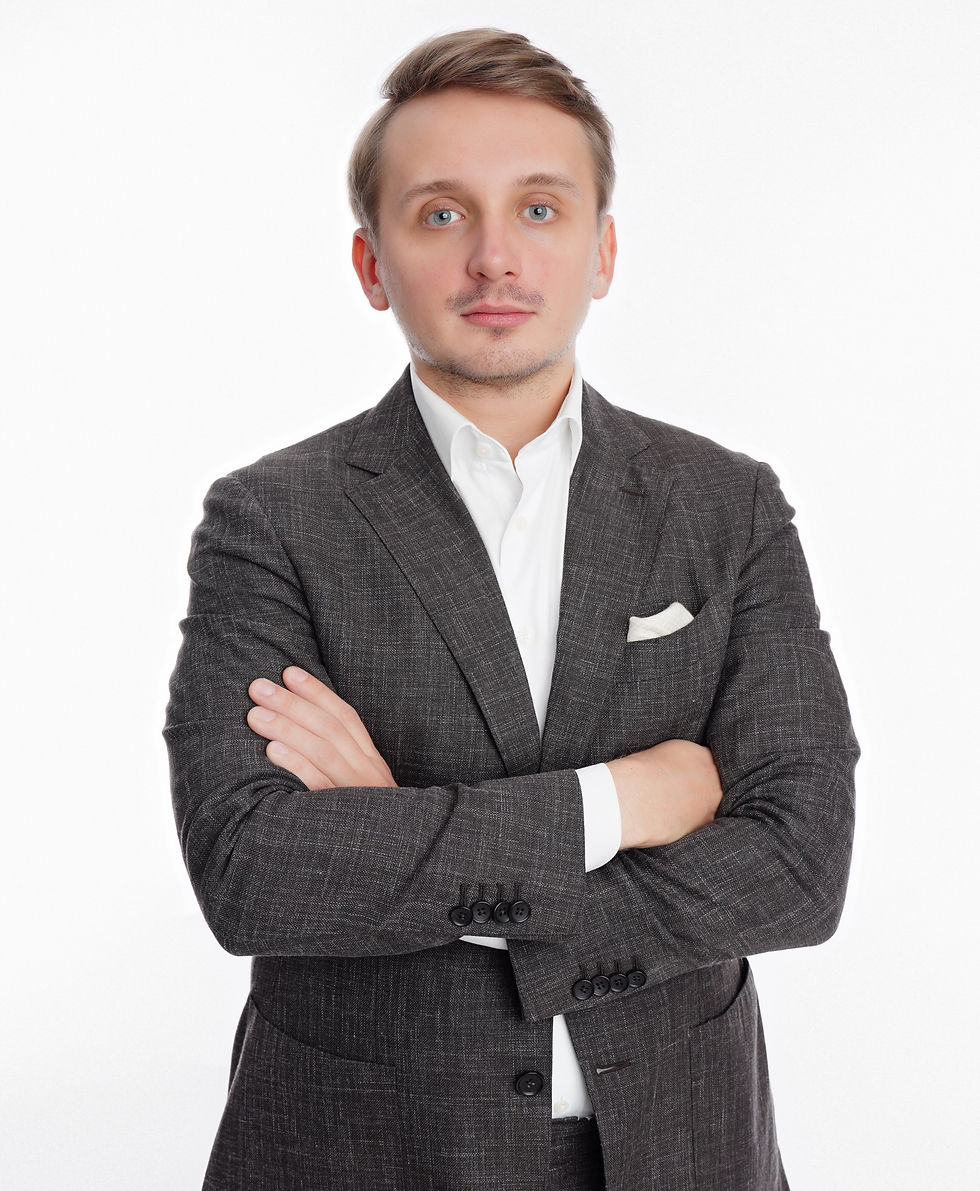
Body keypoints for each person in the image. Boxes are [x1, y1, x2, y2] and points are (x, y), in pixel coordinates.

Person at [164, 27, 858, 1191]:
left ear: (602, 251)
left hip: (682, 1147)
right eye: (440, 214)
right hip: (361, 1153)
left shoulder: (723, 506)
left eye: (539, 209)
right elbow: (253, 871)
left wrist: (398, 835)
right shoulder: (270, 519)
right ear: (370, 263)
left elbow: (798, 865)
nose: (494, 257)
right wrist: (619, 800)